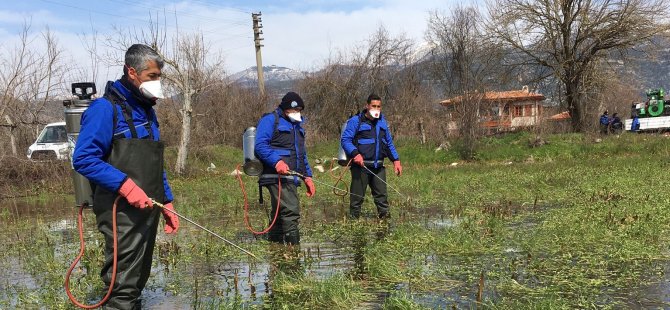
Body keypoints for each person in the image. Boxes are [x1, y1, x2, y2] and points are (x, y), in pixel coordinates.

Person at [72, 44, 179, 309]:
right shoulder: (104, 109)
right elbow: (84, 159)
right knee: (122, 285)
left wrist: (166, 200)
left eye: (159, 77)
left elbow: (153, 160)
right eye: (152, 76)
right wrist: (126, 186)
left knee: (137, 279)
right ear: (132, 72)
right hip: (120, 209)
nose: (157, 82)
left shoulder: (146, 110)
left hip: (147, 207)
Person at [254, 91, 315, 246]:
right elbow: (260, 145)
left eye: (299, 110)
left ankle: (275, 250)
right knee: (291, 211)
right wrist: (277, 162)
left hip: (291, 176)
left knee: (280, 212)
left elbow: (301, 154)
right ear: (284, 109)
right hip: (275, 175)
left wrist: (307, 176)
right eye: (292, 110)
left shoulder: (297, 127)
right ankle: (293, 253)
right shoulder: (270, 120)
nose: (296, 113)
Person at [341, 94, 402, 220]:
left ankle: (385, 227)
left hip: (378, 167)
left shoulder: (383, 123)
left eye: (378, 106)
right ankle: (353, 227)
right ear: (367, 106)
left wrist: (396, 160)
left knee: (382, 201)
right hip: (361, 167)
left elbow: (389, 143)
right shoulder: (356, 121)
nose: (376, 109)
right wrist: (355, 154)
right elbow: (346, 140)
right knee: (356, 200)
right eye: (373, 106)